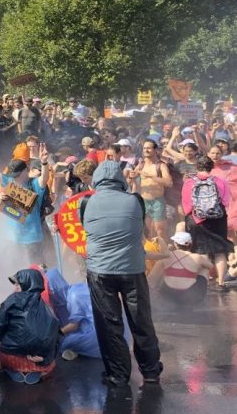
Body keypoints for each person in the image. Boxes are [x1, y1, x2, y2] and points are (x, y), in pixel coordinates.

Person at [81, 161, 163, 387]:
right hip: (133, 269)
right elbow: (140, 228)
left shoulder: (86, 202)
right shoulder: (135, 200)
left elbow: (85, 228)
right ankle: (150, 371)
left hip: (100, 271)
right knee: (141, 321)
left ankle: (118, 375)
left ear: (97, 179)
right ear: (121, 178)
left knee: (109, 324)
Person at [0, 140, 51, 266]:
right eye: (13, 175)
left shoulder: (34, 184)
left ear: (26, 171)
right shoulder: (10, 181)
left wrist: (44, 162)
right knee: (16, 270)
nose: (15, 178)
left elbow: (44, 178)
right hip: (12, 238)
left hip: (32, 238)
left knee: (38, 270)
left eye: (17, 175)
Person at [0, 269, 60, 384]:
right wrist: (46, 358)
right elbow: (55, 336)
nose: (15, 288)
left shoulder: (12, 299)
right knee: (51, 363)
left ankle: (11, 370)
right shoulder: (46, 308)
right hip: (38, 359)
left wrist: (5, 341)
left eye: (18, 285)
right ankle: (39, 372)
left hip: (11, 357)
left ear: (28, 284)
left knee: (4, 357)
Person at [180, 157, 234, 291]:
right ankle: (221, 282)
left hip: (196, 220)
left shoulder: (189, 182)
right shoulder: (219, 181)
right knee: (219, 251)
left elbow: (186, 205)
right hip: (217, 219)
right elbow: (226, 202)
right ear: (211, 167)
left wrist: (193, 217)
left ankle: (204, 283)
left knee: (201, 250)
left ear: (197, 167)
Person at [148, 232, 211, 302]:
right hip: (190, 297)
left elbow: (151, 278)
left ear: (175, 244)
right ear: (191, 244)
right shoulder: (197, 257)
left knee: (162, 264)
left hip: (168, 295)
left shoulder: (167, 255)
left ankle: (152, 292)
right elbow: (210, 266)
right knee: (204, 268)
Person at [59, 282, 100, 361]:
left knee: (64, 343)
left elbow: (74, 325)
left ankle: (77, 350)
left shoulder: (73, 296)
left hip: (95, 335)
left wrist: (58, 332)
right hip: (109, 329)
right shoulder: (79, 288)